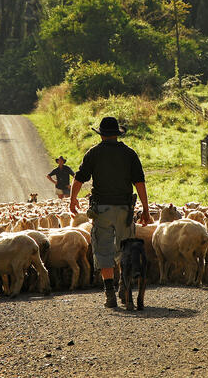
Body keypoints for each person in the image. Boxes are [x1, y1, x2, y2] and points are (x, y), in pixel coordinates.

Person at [70, 116, 150, 308]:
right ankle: (124, 288)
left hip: (102, 210)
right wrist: (146, 209)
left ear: (101, 135)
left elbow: (79, 178)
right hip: (125, 210)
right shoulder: (129, 154)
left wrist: (72, 199)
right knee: (126, 250)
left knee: (103, 250)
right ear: (117, 134)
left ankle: (110, 295)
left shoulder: (93, 153)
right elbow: (139, 182)